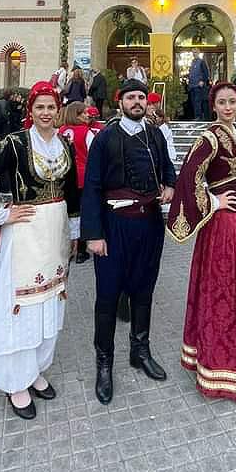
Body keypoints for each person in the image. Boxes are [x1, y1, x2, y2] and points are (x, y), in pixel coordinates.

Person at [0, 82, 79, 419]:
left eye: (51, 107)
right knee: (21, 300)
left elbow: (72, 191)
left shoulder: (65, 144)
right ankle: (16, 381)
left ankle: (36, 369)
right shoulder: (15, 143)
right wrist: (1, 213)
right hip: (26, 230)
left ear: (58, 110)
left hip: (55, 228)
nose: (46, 113)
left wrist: (74, 232)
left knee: (50, 297)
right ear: (30, 111)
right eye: (40, 107)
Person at [166, 82, 236, 403]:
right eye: (222, 102)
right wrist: (213, 202)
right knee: (225, 286)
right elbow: (189, 176)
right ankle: (221, 362)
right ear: (213, 106)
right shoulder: (209, 137)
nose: (227, 107)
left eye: (232, 102)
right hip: (224, 226)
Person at [80, 79, 176, 404]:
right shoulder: (105, 138)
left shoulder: (155, 135)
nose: (136, 102)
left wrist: (171, 188)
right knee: (107, 297)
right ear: (120, 101)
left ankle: (140, 351)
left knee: (144, 291)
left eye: (141, 97)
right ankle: (104, 363)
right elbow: (91, 186)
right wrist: (93, 234)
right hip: (113, 226)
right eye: (130, 97)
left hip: (148, 225)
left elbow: (169, 172)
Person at [58, 101, 103, 264]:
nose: (87, 115)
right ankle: (81, 251)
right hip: (84, 177)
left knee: (69, 213)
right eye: (84, 113)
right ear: (76, 114)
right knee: (85, 213)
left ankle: (67, 248)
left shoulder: (61, 131)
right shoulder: (86, 131)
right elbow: (95, 155)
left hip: (66, 177)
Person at [188, 52, 210, 121]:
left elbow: (206, 73)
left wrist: (202, 80)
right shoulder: (192, 62)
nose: (194, 54)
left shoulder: (201, 62)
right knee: (193, 102)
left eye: (195, 52)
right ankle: (196, 116)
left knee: (198, 101)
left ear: (198, 53)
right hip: (192, 86)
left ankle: (199, 117)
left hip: (198, 85)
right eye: (193, 52)